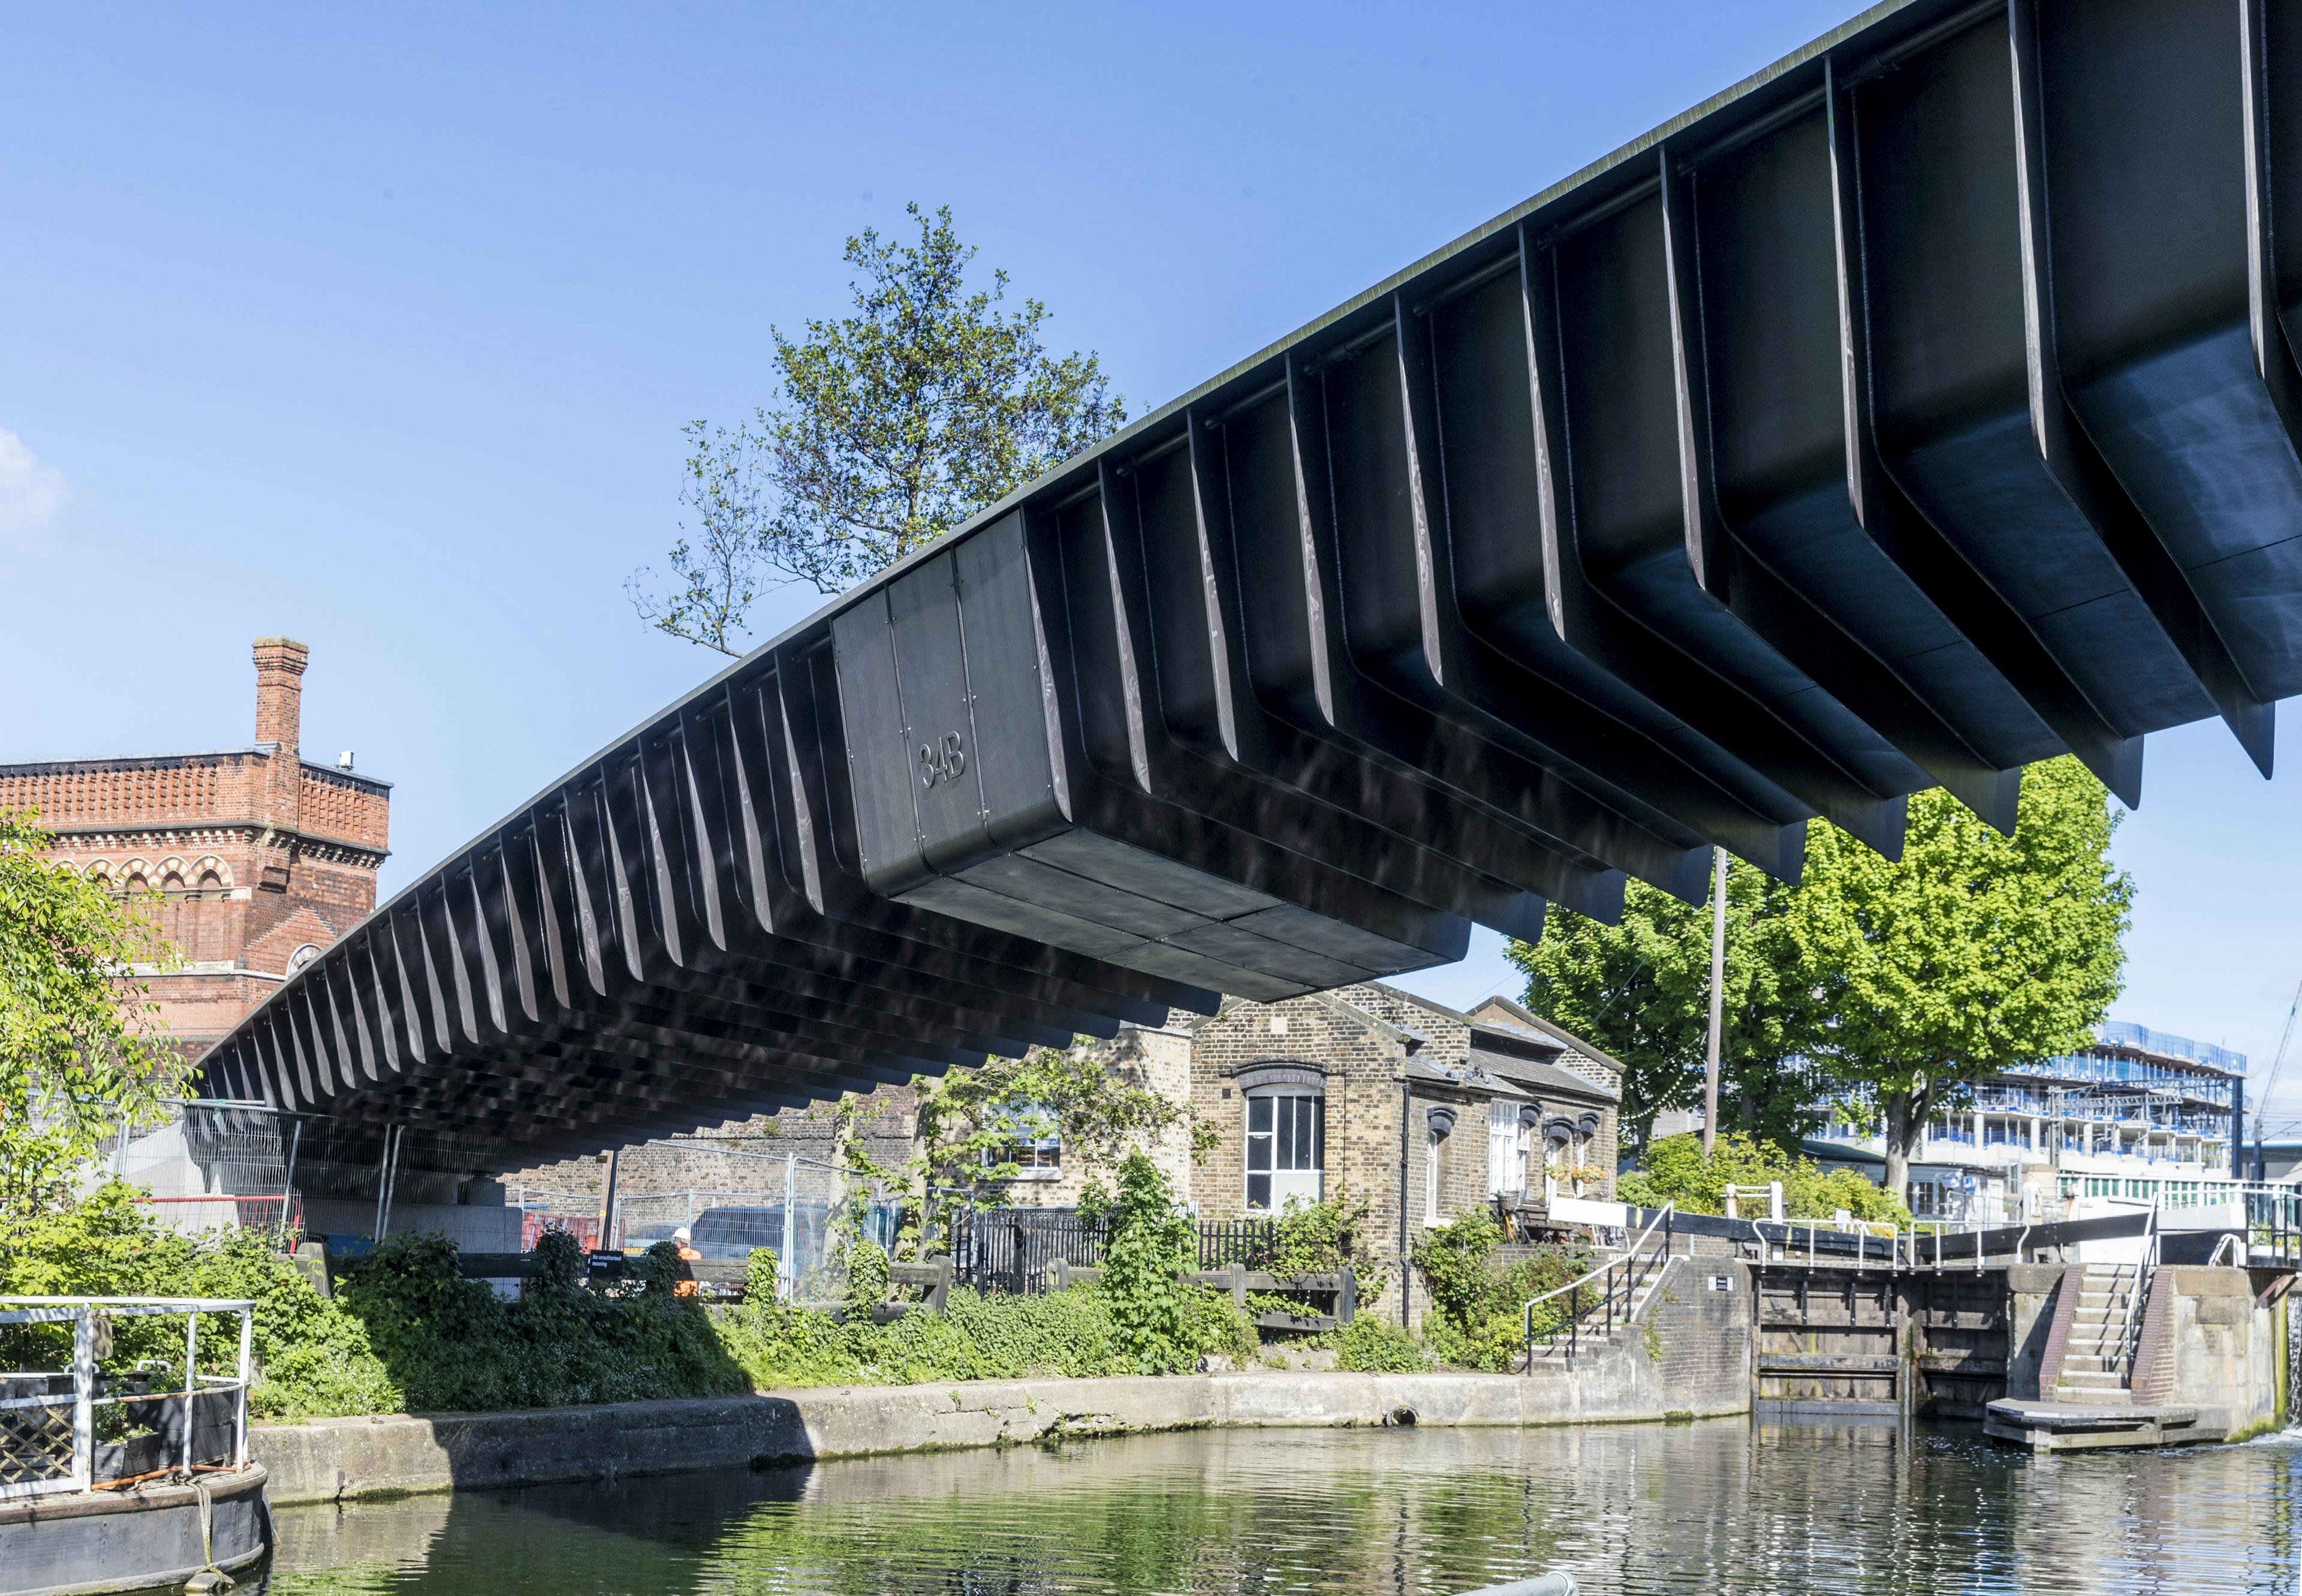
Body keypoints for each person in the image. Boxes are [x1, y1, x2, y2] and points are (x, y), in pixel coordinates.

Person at [671, 1225, 702, 1297]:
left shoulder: (675, 1256)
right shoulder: (697, 1255)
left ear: (678, 1242)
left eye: (675, 1241)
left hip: (677, 1294)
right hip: (692, 1294)